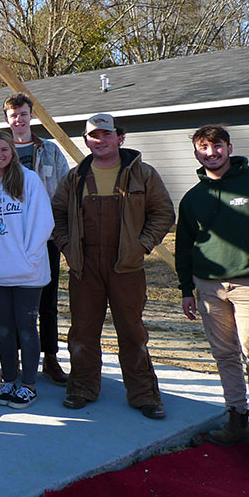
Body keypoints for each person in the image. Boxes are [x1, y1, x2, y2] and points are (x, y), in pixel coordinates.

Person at [177, 125, 249, 471]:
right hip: (209, 287)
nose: (210, 153)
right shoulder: (193, 197)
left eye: (216, 146)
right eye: (203, 147)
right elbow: (184, 246)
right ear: (196, 152)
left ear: (229, 147)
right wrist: (186, 289)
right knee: (225, 356)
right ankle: (236, 420)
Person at [52, 113, 174, 418]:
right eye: (94, 135)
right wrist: (68, 247)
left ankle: (144, 393)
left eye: (106, 134)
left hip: (127, 266)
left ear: (120, 138)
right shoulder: (74, 178)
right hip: (85, 266)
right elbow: (55, 216)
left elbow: (163, 213)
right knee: (82, 331)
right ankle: (82, 386)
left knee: (132, 331)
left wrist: (142, 245)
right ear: (86, 141)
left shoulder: (142, 174)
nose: (100, 140)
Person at [0, 131, 54, 409]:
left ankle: (29, 384)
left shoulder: (28, 180)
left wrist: (30, 257)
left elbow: (43, 221)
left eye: (3, 149)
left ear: (12, 151)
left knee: (27, 327)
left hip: (29, 271)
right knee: (5, 328)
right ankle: (9, 379)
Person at [4, 93, 69, 384]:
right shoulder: (1, 151)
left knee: (48, 298)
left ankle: (50, 357)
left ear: (31, 116)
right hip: (12, 240)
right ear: (7, 118)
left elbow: (65, 192)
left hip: (46, 238)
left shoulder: (51, 152)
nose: (19, 120)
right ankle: (19, 357)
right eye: (14, 115)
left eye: (23, 114)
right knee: (17, 302)